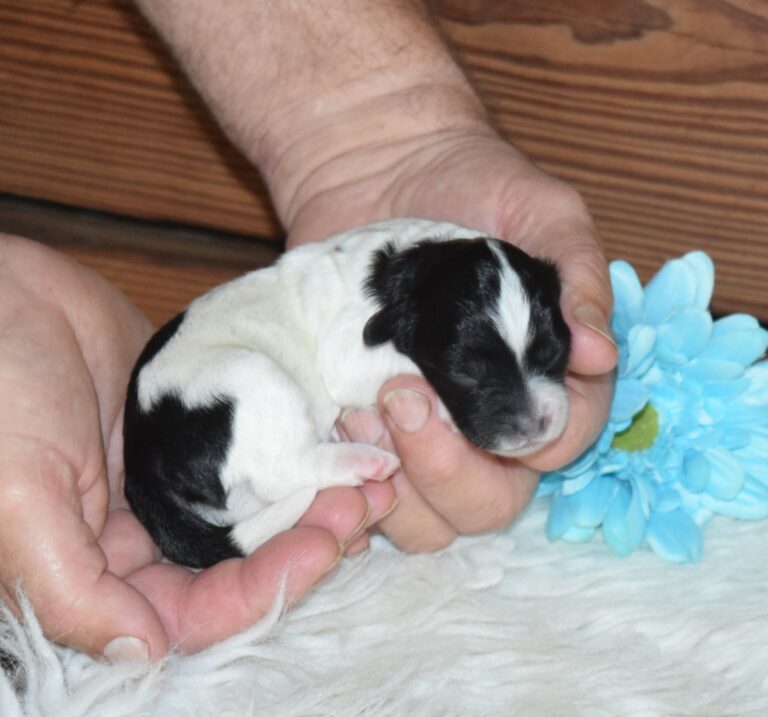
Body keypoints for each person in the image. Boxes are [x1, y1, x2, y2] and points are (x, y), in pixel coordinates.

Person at [0, 0, 616, 662]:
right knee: (253, 381)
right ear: (401, 329)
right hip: (196, 427)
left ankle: (269, 491)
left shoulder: (402, 287)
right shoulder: (371, 320)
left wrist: (389, 138)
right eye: (474, 372)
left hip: (195, 443)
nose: (534, 413)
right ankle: (293, 470)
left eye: (546, 357)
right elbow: (348, 371)